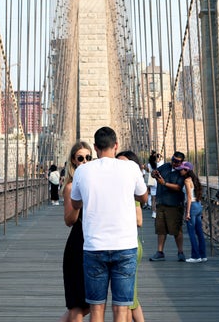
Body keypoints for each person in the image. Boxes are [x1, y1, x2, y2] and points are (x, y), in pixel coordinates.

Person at [68, 126, 148, 322]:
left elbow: (75, 203)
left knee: (96, 310)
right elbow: (143, 197)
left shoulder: (83, 171)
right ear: (116, 145)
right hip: (125, 246)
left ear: (95, 148)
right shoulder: (130, 167)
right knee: (121, 309)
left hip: (94, 247)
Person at [60, 142, 92, 322]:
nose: (85, 161)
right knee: (78, 304)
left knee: (88, 303)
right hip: (78, 244)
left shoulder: (95, 183)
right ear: (73, 160)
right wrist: (78, 198)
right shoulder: (71, 187)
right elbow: (69, 220)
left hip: (93, 243)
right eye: (80, 158)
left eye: (88, 158)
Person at [116, 150, 148, 322]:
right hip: (122, 247)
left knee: (127, 300)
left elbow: (139, 220)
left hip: (130, 247)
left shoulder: (130, 193)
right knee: (130, 299)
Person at [148, 150, 187, 261]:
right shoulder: (165, 166)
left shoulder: (182, 171)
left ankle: (180, 252)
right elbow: (154, 174)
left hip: (174, 204)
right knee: (161, 229)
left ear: (181, 162)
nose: (174, 163)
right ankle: (160, 252)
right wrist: (153, 174)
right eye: (173, 160)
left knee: (177, 230)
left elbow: (178, 187)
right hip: (161, 203)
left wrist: (164, 183)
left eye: (177, 161)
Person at [178, 161, 207, 263]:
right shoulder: (194, 179)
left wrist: (188, 212)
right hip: (198, 205)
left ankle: (195, 256)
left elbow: (189, 197)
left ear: (186, 170)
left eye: (181, 169)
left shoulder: (186, 181)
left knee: (191, 232)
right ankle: (203, 255)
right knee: (199, 232)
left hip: (192, 206)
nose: (180, 171)